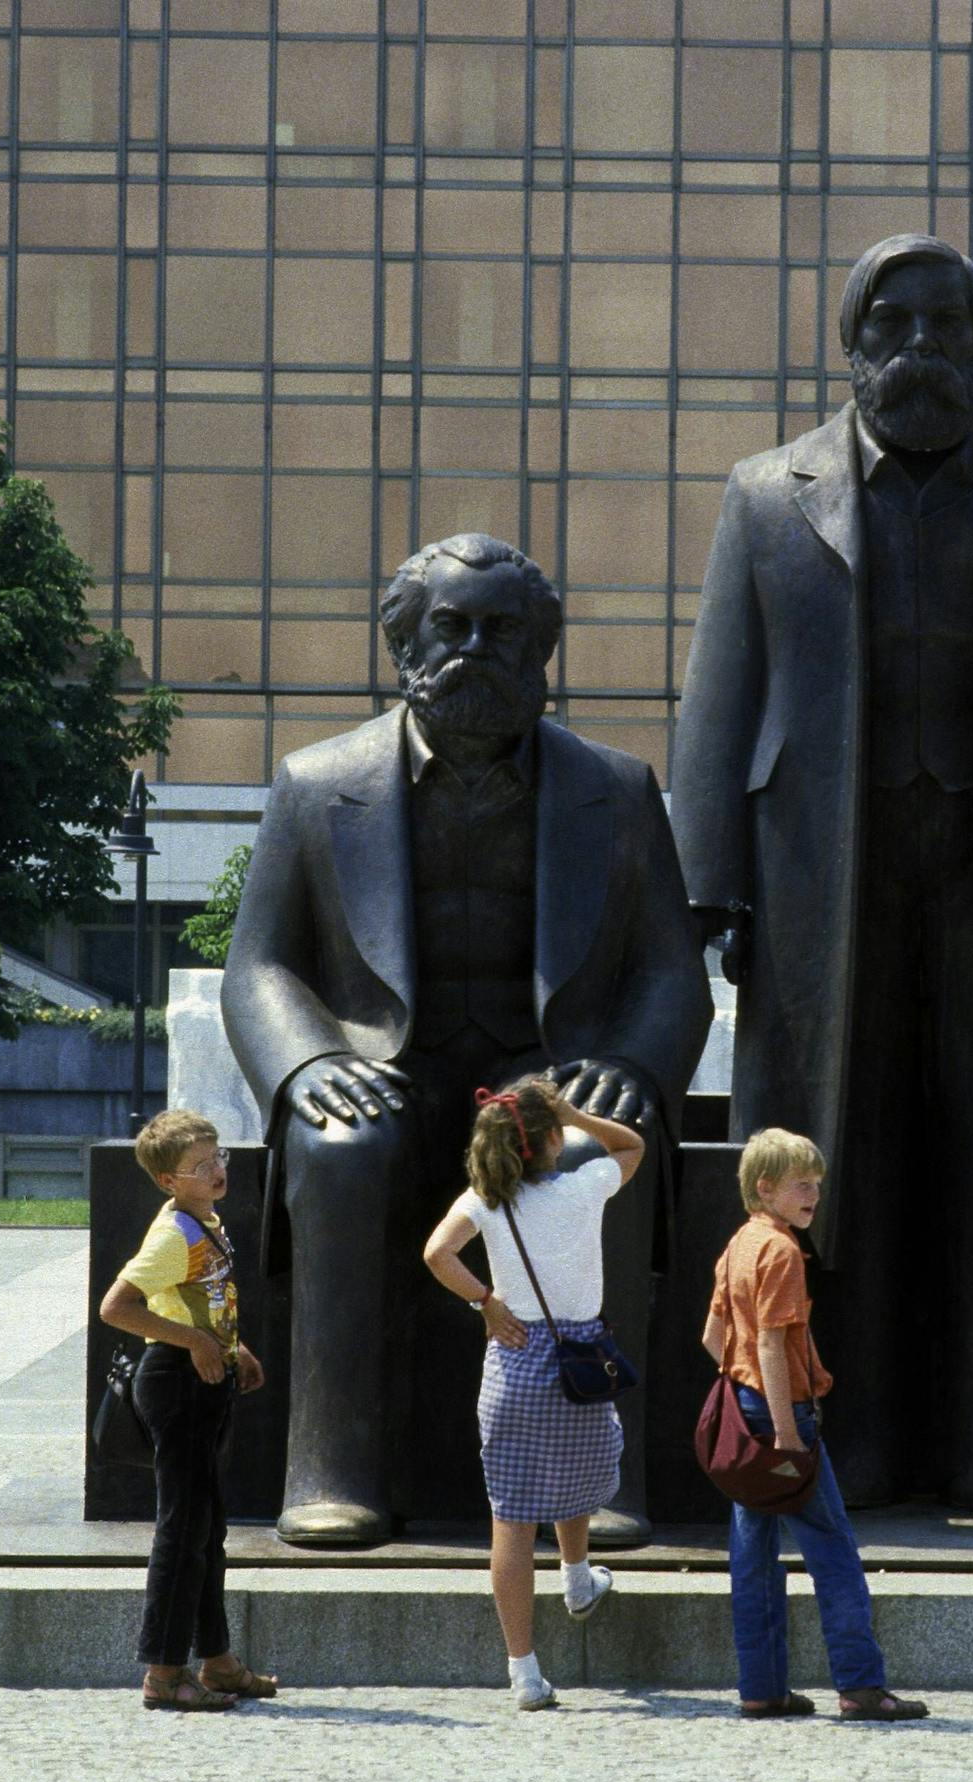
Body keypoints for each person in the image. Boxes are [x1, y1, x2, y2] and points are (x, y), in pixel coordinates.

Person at [672, 233, 973, 1511]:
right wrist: (703, 885)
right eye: (893, 325)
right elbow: (719, 705)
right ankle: (862, 1430)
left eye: (949, 326)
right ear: (851, 345)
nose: (922, 349)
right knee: (841, 1158)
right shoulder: (766, 494)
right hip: (818, 884)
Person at [222, 532, 711, 1547]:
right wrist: (311, 1064)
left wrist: (624, 1067)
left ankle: (598, 1476)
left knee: (585, 1154)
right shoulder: (315, 783)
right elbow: (259, 965)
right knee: (342, 1148)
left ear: (542, 653)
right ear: (403, 643)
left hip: (542, 1068)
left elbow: (670, 968)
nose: (476, 649)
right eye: (451, 625)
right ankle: (333, 1469)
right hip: (384, 1062)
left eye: (505, 631)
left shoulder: (615, 789)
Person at [423, 1076, 645, 1710]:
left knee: (512, 1520)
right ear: (554, 1140)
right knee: (576, 1470)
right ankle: (576, 1577)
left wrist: (486, 1302)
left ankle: (524, 1672)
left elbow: (437, 1253)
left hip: (516, 1360)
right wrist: (580, 1114)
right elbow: (631, 1147)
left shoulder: (484, 1199)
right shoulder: (584, 1188)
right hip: (580, 1359)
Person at [701, 1128, 929, 1721]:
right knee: (834, 1549)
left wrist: (747, 1385)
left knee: (751, 1555)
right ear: (765, 1187)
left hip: (744, 1413)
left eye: (818, 1185)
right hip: (781, 1417)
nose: (814, 1195)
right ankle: (860, 1686)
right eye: (802, 1184)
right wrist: (787, 1433)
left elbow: (712, 1338)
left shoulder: (739, 1244)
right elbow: (774, 1347)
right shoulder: (780, 1251)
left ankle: (762, 1688)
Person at [99, 1110, 277, 1712]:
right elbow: (117, 1307)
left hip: (205, 1379)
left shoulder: (205, 1221)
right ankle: (163, 1672)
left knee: (207, 1527)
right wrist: (198, 1345)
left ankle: (218, 1661)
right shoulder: (174, 1232)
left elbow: (195, 1302)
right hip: (177, 1385)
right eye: (200, 1167)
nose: (217, 1171)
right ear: (169, 1181)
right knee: (181, 1530)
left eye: (218, 1157)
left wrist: (231, 1346)